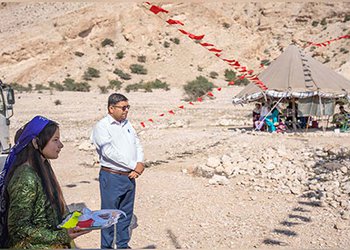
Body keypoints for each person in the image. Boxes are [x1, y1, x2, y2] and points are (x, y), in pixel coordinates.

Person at [0, 116, 90, 248]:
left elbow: (50, 212)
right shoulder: (26, 178)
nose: (61, 145)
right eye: (55, 140)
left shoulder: (43, 168)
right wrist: (61, 236)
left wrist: (79, 219)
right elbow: (18, 228)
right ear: (36, 143)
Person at [91, 93, 144, 249]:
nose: (126, 110)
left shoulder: (127, 124)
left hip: (129, 176)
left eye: (128, 107)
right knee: (108, 216)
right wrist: (133, 165)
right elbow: (108, 152)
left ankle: (122, 245)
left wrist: (139, 163)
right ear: (111, 108)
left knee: (125, 215)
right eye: (123, 107)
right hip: (112, 176)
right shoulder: (102, 127)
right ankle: (106, 247)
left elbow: (137, 144)